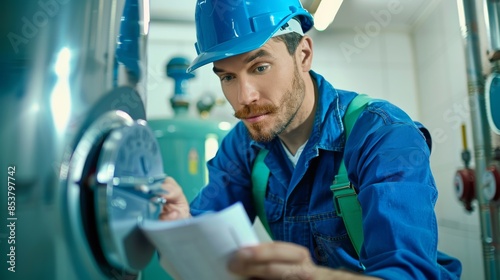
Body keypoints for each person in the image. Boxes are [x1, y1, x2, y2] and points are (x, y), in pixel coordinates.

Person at [159, 0, 462, 279]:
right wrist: (179, 230)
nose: (244, 97)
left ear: (303, 54)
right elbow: (202, 251)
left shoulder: (383, 135)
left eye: (259, 67)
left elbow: (408, 273)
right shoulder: (243, 145)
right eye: (227, 77)